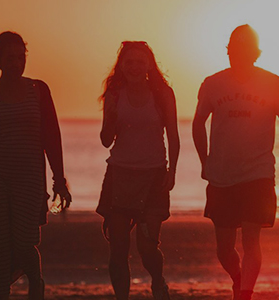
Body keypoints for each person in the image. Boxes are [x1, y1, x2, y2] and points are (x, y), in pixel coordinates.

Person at [192, 24, 279, 300]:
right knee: (224, 250)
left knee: (252, 241)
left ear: (255, 53)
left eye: (244, 49)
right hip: (221, 176)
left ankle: (245, 294)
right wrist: (205, 161)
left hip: (258, 173)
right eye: (233, 49)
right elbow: (197, 123)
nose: (237, 54)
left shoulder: (273, 83)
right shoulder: (213, 83)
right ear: (228, 51)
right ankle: (238, 279)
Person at [0, 31, 71, 300]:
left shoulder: (39, 91)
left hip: (29, 179)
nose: (17, 63)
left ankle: (35, 281)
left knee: (23, 242)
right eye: (11, 58)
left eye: (22, 58)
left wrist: (59, 180)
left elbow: (51, 137)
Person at [97, 41, 178, 300]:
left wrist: (172, 171)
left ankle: (157, 281)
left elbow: (173, 137)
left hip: (153, 175)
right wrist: (110, 119)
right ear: (121, 66)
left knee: (147, 246)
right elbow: (105, 140)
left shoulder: (163, 93)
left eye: (140, 62)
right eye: (128, 62)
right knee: (118, 250)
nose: (134, 67)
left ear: (148, 66)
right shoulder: (115, 93)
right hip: (120, 175)